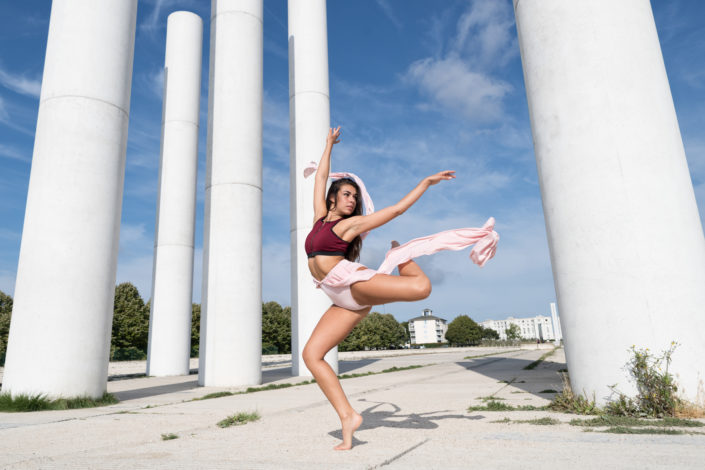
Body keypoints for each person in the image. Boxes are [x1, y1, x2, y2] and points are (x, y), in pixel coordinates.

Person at [302, 126, 498, 450]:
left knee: (422, 288)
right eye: (347, 194)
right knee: (312, 356)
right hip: (337, 297)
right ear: (333, 196)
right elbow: (320, 176)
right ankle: (348, 416)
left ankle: (401, 254)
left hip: (353, 283)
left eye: (356, 196)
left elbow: (394, 211)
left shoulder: (349, 225)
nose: (353, 200)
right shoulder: (320, 217)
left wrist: (425, 183)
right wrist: (327, 146)